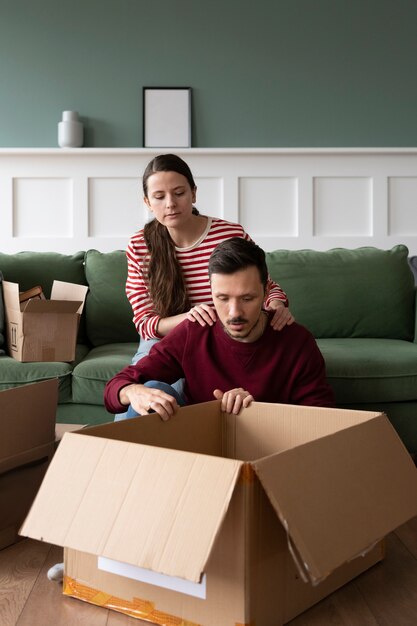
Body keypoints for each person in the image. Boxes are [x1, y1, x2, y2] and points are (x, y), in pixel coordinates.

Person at [115, 152, 294, 419]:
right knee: (146, 398)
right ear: (147, 202)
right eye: (159, 197)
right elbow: (145, 322)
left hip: (217, 337)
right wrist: (187, 319)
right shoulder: (140, 245)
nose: (171, 204)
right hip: (163, 340)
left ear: (194, 194)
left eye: (179, 193)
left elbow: (265, 285)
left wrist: (277, 305)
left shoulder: (229, 233)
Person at [104, 238, 334, 420]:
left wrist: (257, 412)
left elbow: (322, 418)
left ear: (265, 293)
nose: (234, 313)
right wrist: (133, 392)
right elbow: (117, 386)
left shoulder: (296, 341)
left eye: (247, 298)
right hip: (196, 448)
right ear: (211, 292)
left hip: (268, 449)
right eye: (222, 298)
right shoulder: (194, 331)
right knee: (150, 390)